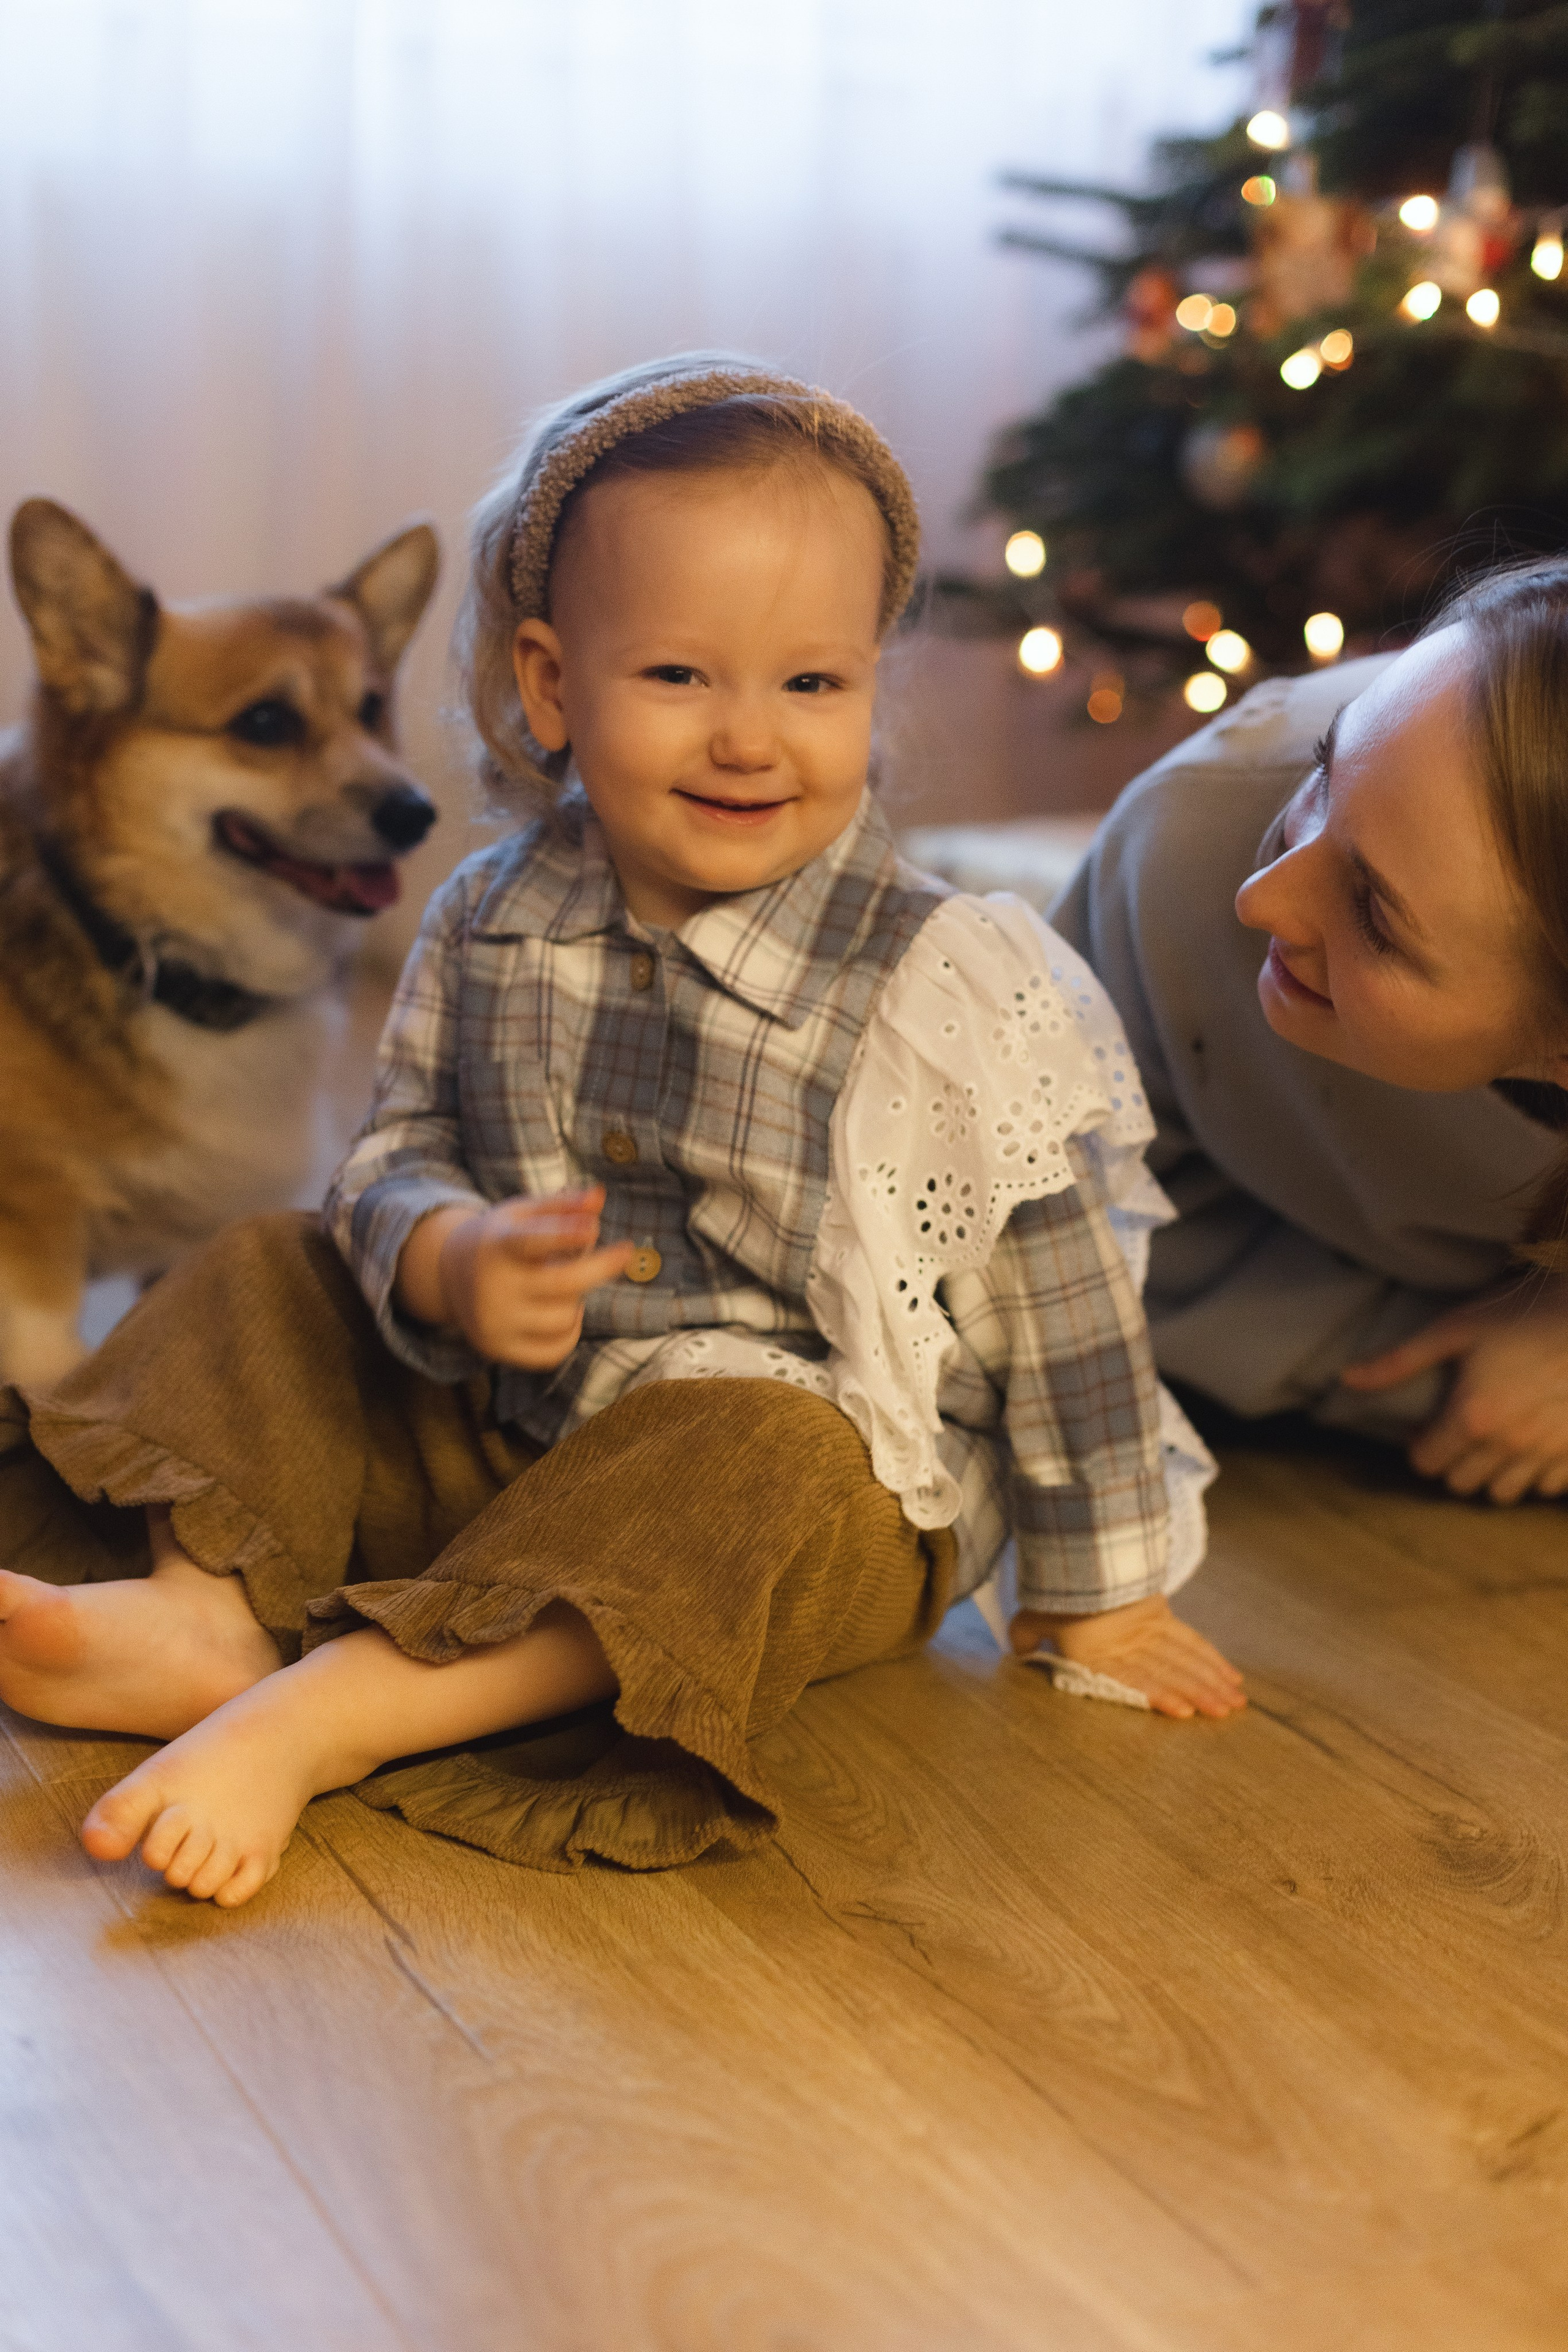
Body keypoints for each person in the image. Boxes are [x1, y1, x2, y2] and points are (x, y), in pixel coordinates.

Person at [0, 356, 1242, 1912]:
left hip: (791, 1495)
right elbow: (393, 1153)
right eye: (677, 679)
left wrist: (1101, 1594)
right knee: (271, 1262)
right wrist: (442, 1253)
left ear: (868, 682)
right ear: (549, 687)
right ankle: (205, 1605)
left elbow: (1058, 1307)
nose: (748, 740)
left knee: (763, 1450)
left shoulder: (940, 977)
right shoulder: (489, 916)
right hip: (508, 1431)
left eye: (811, 684)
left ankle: (339, 1712)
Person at [1052, 562, 1568, 1505]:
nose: (1261, 899)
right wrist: (1426, 1368)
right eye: (1326, 773)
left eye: (1374, 914)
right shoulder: (1186, 845)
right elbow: (1050, 1256)